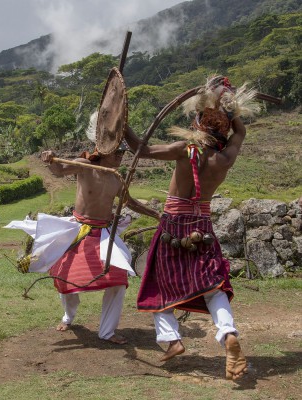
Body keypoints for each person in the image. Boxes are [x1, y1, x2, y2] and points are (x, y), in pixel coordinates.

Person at [125, 75, 260, 379]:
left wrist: (120, 122)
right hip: (202, 226)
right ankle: (228, 335)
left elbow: (139, 148)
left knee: (157, 283)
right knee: (214, 286)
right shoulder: (226, 157)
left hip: (173, 226)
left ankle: (171, 340)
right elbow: (241, 131)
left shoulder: (184, 149)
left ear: (198, 119)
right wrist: (227, 104)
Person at [41, 143, 159, 344]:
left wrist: (156, 214)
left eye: (123, 153)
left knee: (118, 280)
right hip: (79, 232)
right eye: (118, 152)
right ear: (105, 151)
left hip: (104, 234)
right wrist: (50, 158)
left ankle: (107, 331)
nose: (121, 156)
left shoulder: (116, 178)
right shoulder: (84, 165)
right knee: (67, 280)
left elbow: (129, 202)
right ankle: (68, 317)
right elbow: (59, 171)